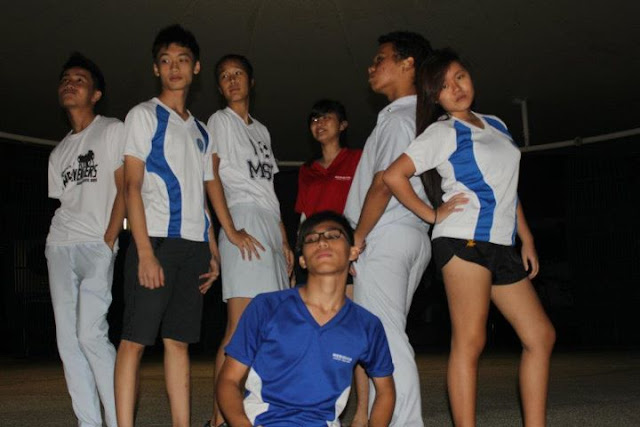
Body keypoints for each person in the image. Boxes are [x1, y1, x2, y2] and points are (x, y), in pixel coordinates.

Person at [383, 48, 556, 426]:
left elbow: (508, 187)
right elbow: (393, 176)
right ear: (435, 97)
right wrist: (432, 214)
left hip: (502, 245)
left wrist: (526, 238)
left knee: (540, 336)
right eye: (444, 85)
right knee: (471, 340)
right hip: (463, 241)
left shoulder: (496, 124)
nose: (456, 88)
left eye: (459, 76)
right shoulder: (442, 131)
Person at [114, 25, 220, 427]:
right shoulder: (143, 115)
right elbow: (132, 185)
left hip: (194, 248)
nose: (174, 67)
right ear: (156, 69)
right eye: (165, 61)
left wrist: (212, 252)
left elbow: (202, 196)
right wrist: (144, 252)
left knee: (179, 343)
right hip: (155, 241)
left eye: (182, 60)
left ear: (196, 68)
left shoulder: (202, 130)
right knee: (134, 341)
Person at [216, 211, 396, 426]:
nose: (322, 242)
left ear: (353, 252)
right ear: (302, 260)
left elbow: (385, 390)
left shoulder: (367, 325)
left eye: (333, 236)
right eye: (311, 239)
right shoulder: (266, 307)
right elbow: (229, 380)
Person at [343, 31, 432, 426]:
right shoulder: (420, 117)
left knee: (388, 339)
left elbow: (383, 183)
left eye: (381, 58)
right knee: (384, 335)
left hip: (385, 234)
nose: (371, 67)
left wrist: (357, 238)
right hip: (409, 234)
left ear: (408, 64)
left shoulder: (398, 118)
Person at [204, 54, 293, 427]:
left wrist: (284, 240)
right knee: (240, 325)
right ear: (219, 87)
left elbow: (268, 188)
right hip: (241, 218)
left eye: (238, 73)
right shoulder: (220, 121)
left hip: (268, 225)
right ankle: (218, 419)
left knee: (272, 323)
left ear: (251, 81)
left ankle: (261, 408)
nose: (232, 80)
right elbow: (210, 175)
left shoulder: (262, 131)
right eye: (224, 76)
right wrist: (230, 228)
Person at [46, 52, 125, 427]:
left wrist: (109, 240)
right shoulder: (58, 152)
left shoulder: (111, 130)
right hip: (60, 245)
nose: (70, 83)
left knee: (91, 334)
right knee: (68, 341)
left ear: (95, 94)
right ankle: (89, 422)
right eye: (65, 79)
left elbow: (126, 188)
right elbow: (64, 202)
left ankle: (118, 420)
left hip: (98, 243)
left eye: (79, 80)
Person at [294, 99, 361, 289]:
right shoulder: (307, 169)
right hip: (313, 246)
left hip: (346, 245)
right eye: (315, 120)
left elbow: (371, 201)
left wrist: (357, 241)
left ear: (342, 125)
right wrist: (299, 252)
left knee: (346, 304)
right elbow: (304, 215)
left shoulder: (358, 159)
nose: (319, 123)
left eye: (326, 117)